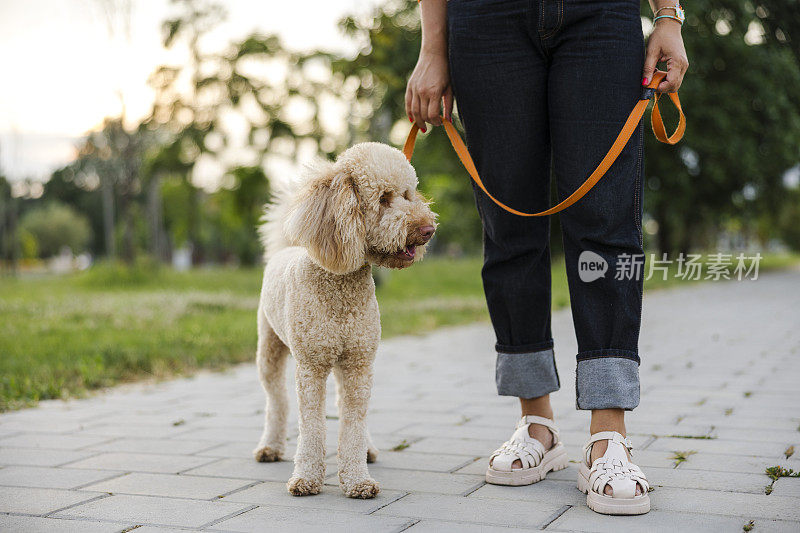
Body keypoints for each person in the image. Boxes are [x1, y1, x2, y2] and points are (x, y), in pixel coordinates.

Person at [405, 0, 688, 516]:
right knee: (510, 224)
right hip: (487, 20)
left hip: (599, 16)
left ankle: (609, 437)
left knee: (605, 222)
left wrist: (668, 13)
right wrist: (432, 46)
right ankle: (537, 423)